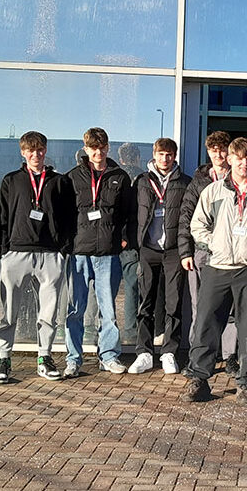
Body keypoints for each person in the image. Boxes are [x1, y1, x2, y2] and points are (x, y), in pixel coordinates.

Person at [182, 138, 247, 404]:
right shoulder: (214, 192)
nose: (244, 163)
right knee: (206, 323)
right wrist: (213, 245)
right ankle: (199, 379)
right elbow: (197, 225)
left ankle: (246, 381)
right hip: (217, 266)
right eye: (239, 158)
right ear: (230, 159)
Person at [0, 131, 75, 384]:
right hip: (16, 253)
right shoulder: (12, 180)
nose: (36, 154)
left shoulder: (59, 182)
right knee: (9, 312)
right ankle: (4, 360)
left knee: (48, 314)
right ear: (23, 152)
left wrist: (64, 248)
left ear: (45, 151)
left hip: (50, 254)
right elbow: (3, 218)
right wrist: (4, 250)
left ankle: (44, 358)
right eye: (31, 150)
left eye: (40, 150)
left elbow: (70, 218)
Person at [63, 127, 134, 377]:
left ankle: (109, 356)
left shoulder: (120, 176)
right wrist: (67, 244)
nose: (98, 152)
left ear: (108, 147)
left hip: (108, 253)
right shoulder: (72, 177)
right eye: (93, 147)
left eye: (102, 147)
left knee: (109, 310)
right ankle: (73, 358)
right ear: (85, 149)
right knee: (76, 309)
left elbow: (128, 212)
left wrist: (123, 239)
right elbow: (65, 215)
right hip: (79, 252)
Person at [128, 137, 191, 375]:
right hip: (149, 249)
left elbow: (188, 217)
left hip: (174, 250)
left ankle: (169, 352)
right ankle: (144, 352)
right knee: (146, 302)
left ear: (175, 156)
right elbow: (132, 213)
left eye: (169, 155)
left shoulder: (184, 182)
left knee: (173, 304)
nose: (165, 159)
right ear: (154, 155)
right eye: (161, 154)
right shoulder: (142, 182)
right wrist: (135, 243)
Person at [179, 131, 240, 373]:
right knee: (200, 307)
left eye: (223, 149)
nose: (218, 153)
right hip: (202, 254)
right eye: (213, 149)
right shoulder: (198, 183)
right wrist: (186, 252)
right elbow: (185, 218)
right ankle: (200, 355)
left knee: (232, 307)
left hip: (231, 255)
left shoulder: (240, 180)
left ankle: (230, 355)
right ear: (208, 152)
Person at [117, 142, 143, 346]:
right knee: (132, 287)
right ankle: (131, 331)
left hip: (112, 241)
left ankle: (93, 329)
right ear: (136, 158)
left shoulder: (115, 176)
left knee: (103, 290)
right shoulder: (141, 178)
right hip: (132, 242)